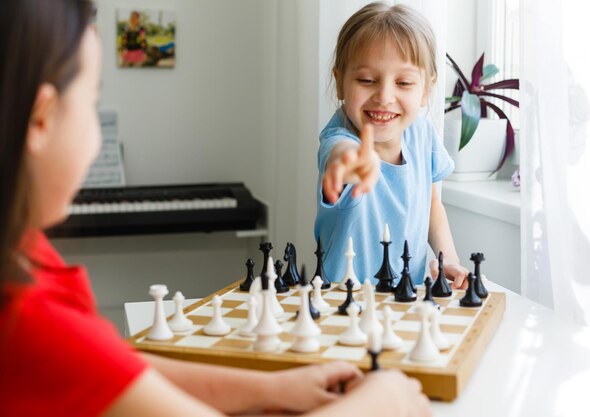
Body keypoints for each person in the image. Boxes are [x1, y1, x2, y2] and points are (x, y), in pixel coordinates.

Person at [0, 1, 430, 416]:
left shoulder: (26, 257)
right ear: (42, 119)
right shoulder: (30, 323)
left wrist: (275, 387)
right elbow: (79, 359)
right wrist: (379, 405)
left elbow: (117, 370)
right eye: (92, 103)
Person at [315, 2, 469, 290]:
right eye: (366, 80)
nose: (384, 96)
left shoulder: (423, 133)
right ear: (340, 83)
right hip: (345, 300)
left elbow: (433, 204)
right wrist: (352, 165)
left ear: (426, 90)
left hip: (407, 297)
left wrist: (446, 256)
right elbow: (339, 157)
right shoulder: (339, 139)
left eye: (404, 82)